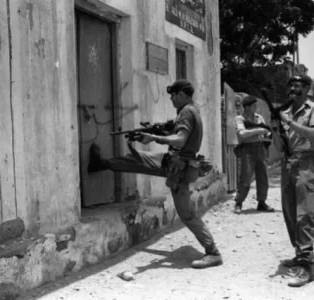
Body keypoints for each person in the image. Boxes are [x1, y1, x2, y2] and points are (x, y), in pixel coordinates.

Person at [87, 79, 223, 269]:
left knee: (187, 215)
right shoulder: (191, 110)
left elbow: (181, 139)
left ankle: (213, 252)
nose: (171, 100)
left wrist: (155, 137)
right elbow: (181, 132)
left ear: (181, 95)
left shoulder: (186, 112)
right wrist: (159, 129)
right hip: (173, 162)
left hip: (180, 169)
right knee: (135, 159)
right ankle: (101, 164)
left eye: (173, 96)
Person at [273, 75, 314, 287]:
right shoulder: (285, 112)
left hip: (307, 162)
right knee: (289, 212)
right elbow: (278, 148)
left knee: (305, 212)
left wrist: (287, 122)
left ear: (307, 88)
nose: (292, 89)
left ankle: (306, 266)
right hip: (288, 163)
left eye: (297, 85)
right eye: (290, 86)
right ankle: (300, 253)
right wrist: (276, 128)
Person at [233, 95, 276, 214]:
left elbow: (266, 131)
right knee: (246, 177)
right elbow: (242, 133)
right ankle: (239, 202)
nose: (255, 107)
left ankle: (261, 202)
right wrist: (258, 131)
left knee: (262, 177)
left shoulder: (259, 117)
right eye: (253, 105)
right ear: (246, 107)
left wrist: (267, 133)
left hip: (260, 148)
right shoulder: (240, 119)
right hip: (247, 149)